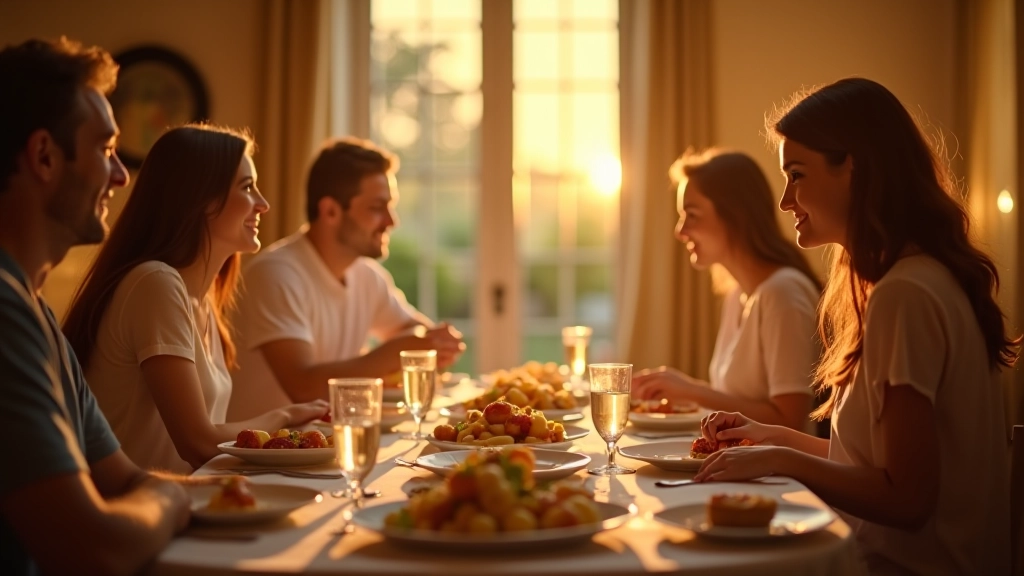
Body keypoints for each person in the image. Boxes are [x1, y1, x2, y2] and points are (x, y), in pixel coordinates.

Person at [694, 78, 1017, 575]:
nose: (785, 201)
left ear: (854, 168)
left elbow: (907, 500)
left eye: (796, 175)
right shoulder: (915, 278)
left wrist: (782, 461)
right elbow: (868, 463)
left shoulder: (904, 295)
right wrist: (771, 438)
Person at [0, 37, 191, 576]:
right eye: (106, 150)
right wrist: (177, 502)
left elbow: (127, 480)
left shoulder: (35, 314)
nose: (121, 175)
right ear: (44, 156)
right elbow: (92, 547)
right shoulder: (4, 311)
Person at [62, 124, 328, 474]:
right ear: (201, 199)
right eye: (247, 188)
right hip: (142, 513)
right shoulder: (155, 284)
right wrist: (285, 416)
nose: (262, 205)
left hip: (185, 503)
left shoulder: (202, 299)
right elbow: (198, 443)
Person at [228, 136, 464, 420]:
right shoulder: (276, 274)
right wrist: (400, 352)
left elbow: (412, 330)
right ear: (330, 211)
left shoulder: (366, 276)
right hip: (259, 455)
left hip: (326, 447)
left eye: (391, 206)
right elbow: (302, 387)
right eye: (377, 207)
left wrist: (436, 343)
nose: (392, 221)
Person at [631, 149, 822, 432]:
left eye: (691, 215)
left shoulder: (783, 294)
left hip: (780, 475)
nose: (680, 231)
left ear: (735, 216)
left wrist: (692, 390)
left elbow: (789, 421)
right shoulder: (737, 294)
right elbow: (737, 401)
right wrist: (679, 389)